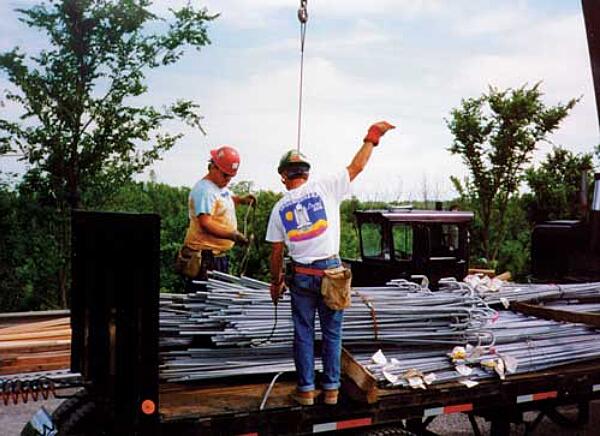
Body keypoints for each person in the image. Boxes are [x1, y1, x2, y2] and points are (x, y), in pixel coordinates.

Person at [266, 121, 395, 406]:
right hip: (332, 273)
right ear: (307, 173)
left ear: (284, 177)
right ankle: (332, 390)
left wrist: (276, 282)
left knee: (303, 332)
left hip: (301, 275)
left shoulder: (279, 208)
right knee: (332, 333)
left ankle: (306, 391)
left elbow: (276, 253)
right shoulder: (325, 187)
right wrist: (371, 138)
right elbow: (357, 166)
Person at [179, 145, 256, 292]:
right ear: (213, 167)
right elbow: (205, 223)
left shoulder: (219, 186)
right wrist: (233, 235)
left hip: (217, 258)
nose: (228, 179)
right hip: (205, 260)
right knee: (204, 307)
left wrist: (241, 200)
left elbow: (223, 200)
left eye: (231, 176)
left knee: (217, 304)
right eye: (225, 175)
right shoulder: (205, 191)